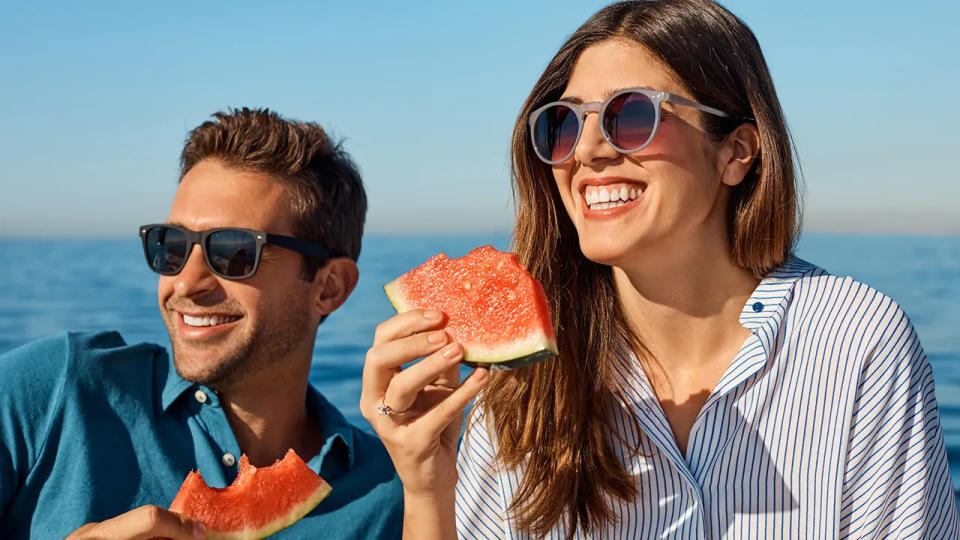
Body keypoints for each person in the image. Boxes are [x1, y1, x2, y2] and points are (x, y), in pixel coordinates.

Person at [360, 1, 960, 538]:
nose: (588, 151)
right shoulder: (519, 376)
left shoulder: (855, 339)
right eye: (564, 123)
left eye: (631, 115)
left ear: (736, 152)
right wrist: (427, 487)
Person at [0, 108, 403, 539]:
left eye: (233, 251)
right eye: (170, 246)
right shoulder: (54, 391)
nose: (186, 283)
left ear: (330, 288)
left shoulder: (389, 495)